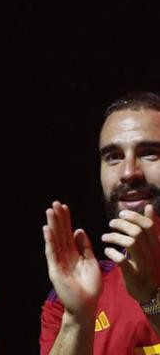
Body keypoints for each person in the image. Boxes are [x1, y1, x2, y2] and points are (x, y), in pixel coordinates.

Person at [40, 91, 160, 353]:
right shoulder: (81, 291)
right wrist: (77, 318)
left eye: (150, 153)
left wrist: (152, 299)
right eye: (113, 157)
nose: (129, 172)